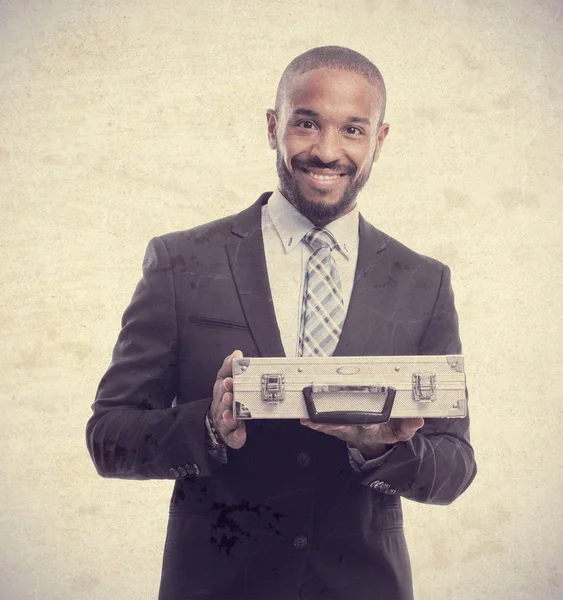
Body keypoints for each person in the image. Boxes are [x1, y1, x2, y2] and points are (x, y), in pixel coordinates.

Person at [86, 46, 477, 600]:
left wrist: (382, 449)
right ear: (273, 126)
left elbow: (455, 467)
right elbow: (108, 438)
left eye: (353, 130)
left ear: (379, 141)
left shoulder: (423, 280)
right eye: (306, 123)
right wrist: (207, 427)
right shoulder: (182, 262)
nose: (327, 150)